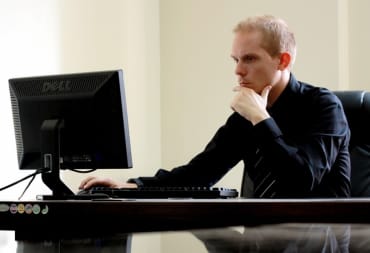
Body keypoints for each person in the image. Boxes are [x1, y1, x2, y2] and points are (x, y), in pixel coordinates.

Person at [80, 15, 351, 198]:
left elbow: (302, 180)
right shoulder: (246, 115)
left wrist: (260, 118)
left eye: (249, 59)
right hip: (262, 239)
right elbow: (199, 173)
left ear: (282, 60)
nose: (238, 71)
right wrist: (131, 186)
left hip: (320, 237)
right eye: (235, 59)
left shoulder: (324, 106)